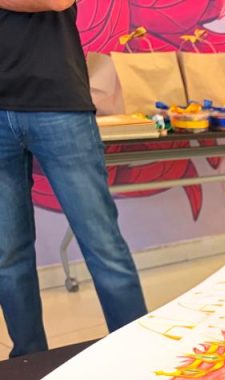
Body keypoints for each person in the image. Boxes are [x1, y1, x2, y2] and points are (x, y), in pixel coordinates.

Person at [0, 0, 147, 358]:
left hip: (58, 104)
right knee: (7, 254)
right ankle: (28, 362)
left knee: (102, 244)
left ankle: (137, 357)